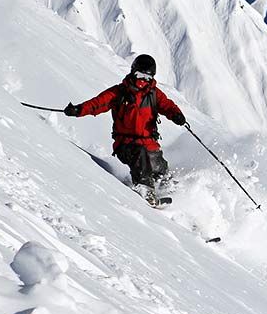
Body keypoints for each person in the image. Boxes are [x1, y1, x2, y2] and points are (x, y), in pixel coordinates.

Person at [64, 54, 186, 203]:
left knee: (159, 167)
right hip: (126, 144)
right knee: (139, 156)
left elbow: (167, 105)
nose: (143, 80)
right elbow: (98, 103)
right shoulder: (119, 93)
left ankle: (173, 195)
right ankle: (145, 190)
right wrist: (79, 110)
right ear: (133, 72)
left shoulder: (154, 94)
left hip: (149, 144)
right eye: (140, 75)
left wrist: (176, 115)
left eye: (147, 77)